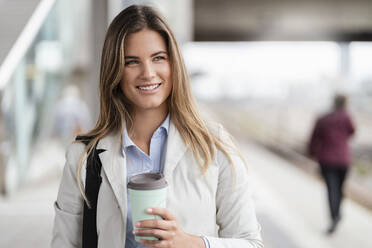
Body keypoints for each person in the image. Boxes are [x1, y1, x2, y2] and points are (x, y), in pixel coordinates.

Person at [52, 5, 263, 248]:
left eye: (158, 58)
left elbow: (251, 243)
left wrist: (191, 243)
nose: (148, 73)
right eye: (131, 62)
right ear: (115, 71)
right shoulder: (83, 157)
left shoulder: (214, 145)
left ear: (174, 64)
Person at [308, 94, 355, 235]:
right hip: (344, 160)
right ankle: (337, 213)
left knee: (331, 189)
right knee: (339, 188)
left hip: (326, 159)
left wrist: (311, 154)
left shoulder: (323, 119)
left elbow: (313, 138)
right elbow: (352, 132)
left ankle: (335, 216)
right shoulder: (346, 117)